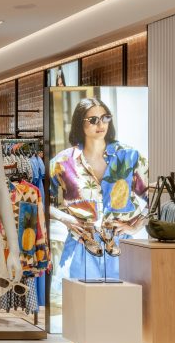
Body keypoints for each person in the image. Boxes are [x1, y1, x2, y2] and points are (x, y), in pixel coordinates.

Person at [48, 97, 147, 281]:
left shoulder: (129, 156)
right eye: (93, 120)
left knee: (124, 298)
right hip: (80, 246)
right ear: (80, 123)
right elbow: (39, 200)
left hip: (121, 247)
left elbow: (156, 197)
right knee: (80, 299)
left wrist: (135, 226)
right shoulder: (63, 162)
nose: (101, 124)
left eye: (105, 118)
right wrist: (65, 218)